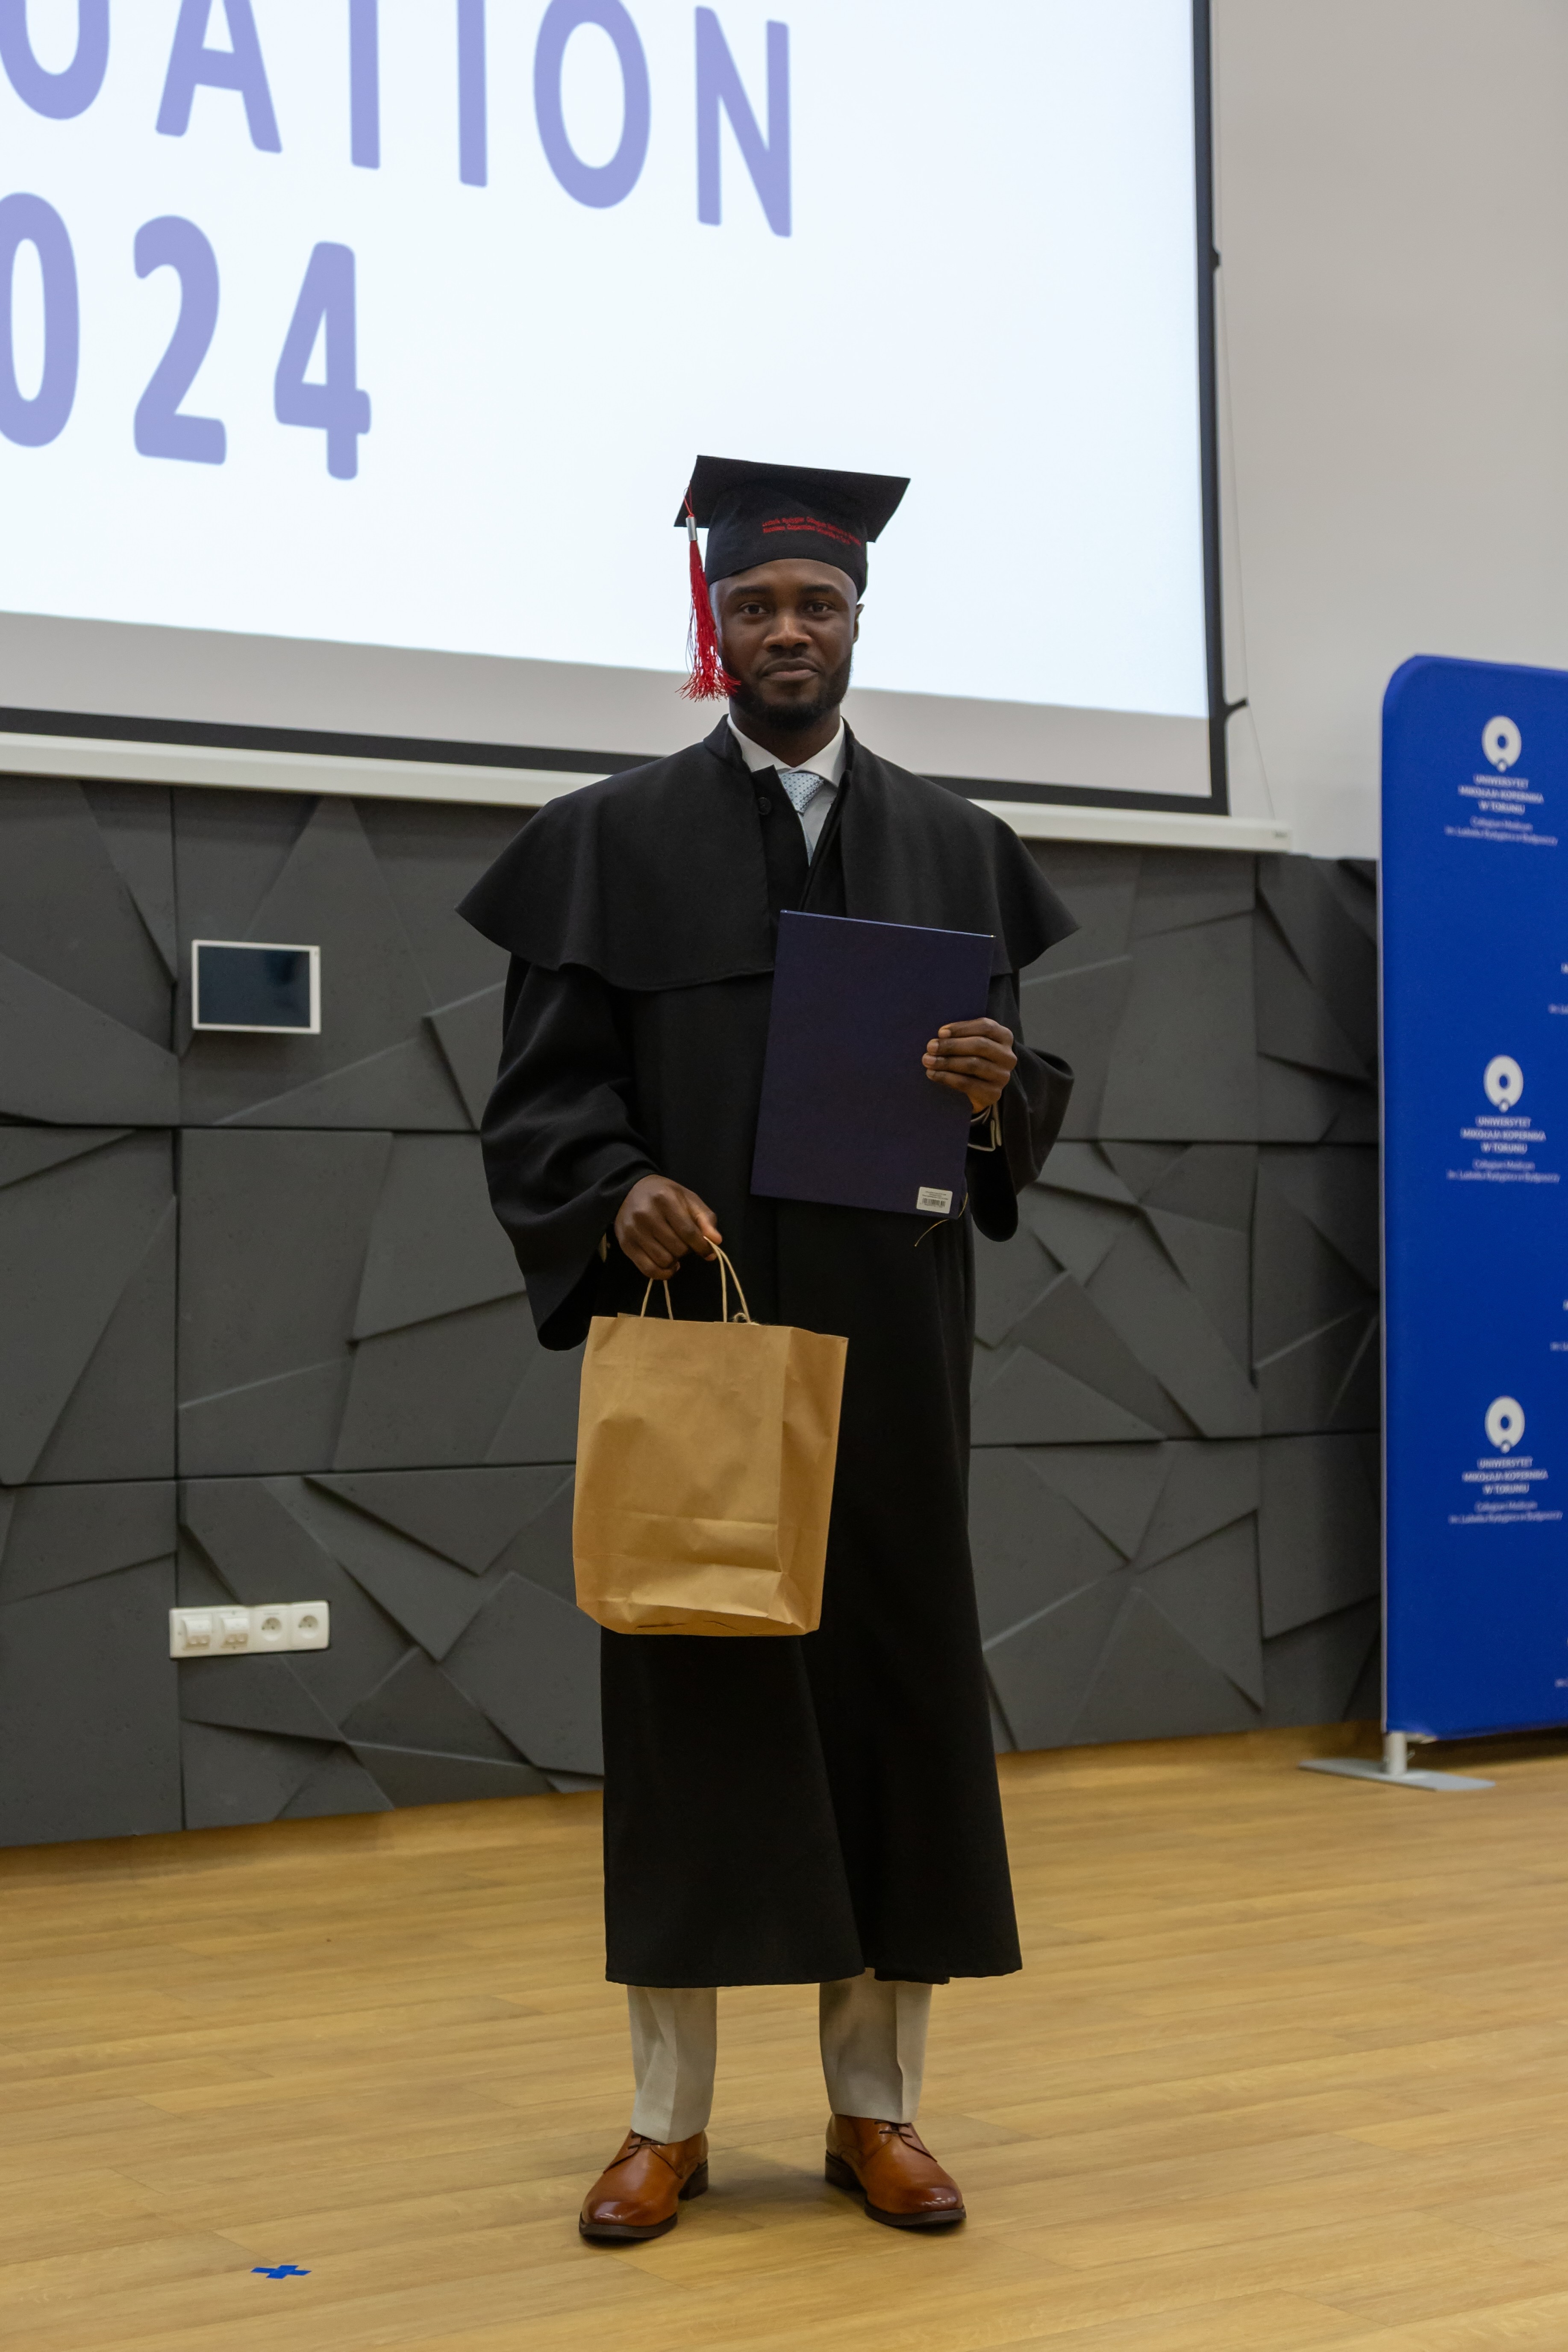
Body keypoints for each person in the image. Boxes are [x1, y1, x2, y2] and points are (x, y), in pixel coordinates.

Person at [460, 455, 1075, 2242]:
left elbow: (1015, 1105)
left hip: (892, 1345)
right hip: (698, 1333)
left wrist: (997, 1092)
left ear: (859, 620)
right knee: (694, 1708)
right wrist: (614, 1189)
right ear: (714, 627)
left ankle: (877, 2108)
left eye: (816, 602)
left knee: (892, 1704)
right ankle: (667, 2120)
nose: (787, 629)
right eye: (755, 606)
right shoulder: (607, 842)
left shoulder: (956, 847)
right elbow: (539, 1101)